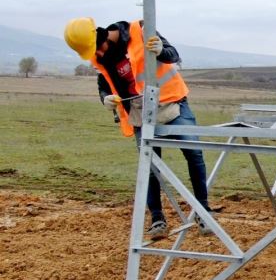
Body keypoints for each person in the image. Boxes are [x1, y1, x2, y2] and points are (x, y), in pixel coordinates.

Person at [63, 17, 212, 241]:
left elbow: (174, 55)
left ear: (101, 36)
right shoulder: (100, 56)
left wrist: (161, 51)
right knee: (149, 164)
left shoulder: (139, 31)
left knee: (193, 153)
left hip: (172, 102)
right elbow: (103, 84)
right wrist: (106, 98)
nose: (98, 54)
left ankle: (203, 212)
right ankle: (157, 219)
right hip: (139, 112)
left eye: (97, 48)